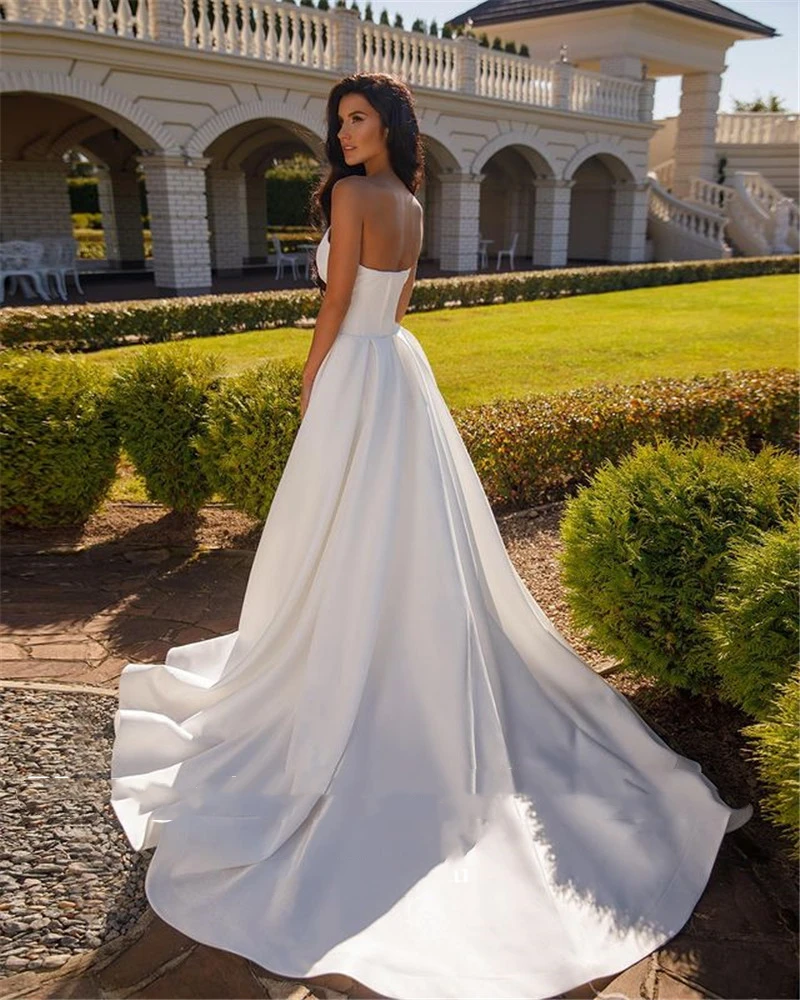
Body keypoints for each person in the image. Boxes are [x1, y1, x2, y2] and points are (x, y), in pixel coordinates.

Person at [110, 72, 753, 1000]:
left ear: (388, 125)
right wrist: (365, 355)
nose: (345, 131)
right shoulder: (411, 198)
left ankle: (351, 665)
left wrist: (313, 379)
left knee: (341, 526)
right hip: (401, 372)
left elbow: (334, 308)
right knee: (406, 528)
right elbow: (395, 306)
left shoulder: (352, 194)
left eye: (359, 118)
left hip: (356, 370)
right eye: (341, 120)